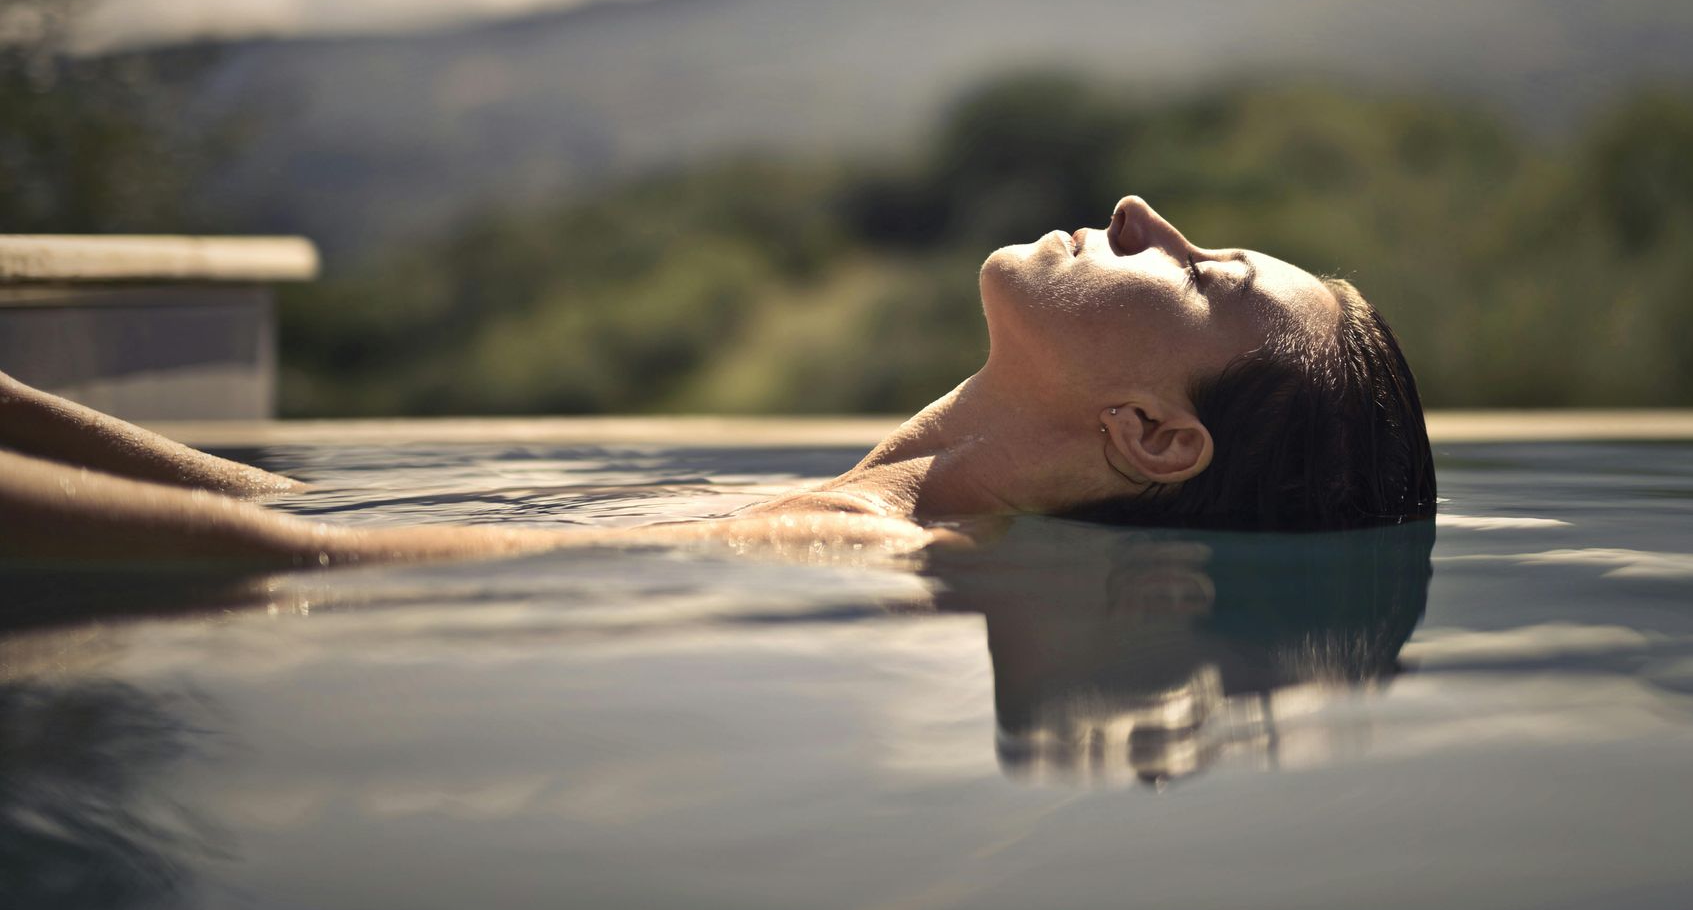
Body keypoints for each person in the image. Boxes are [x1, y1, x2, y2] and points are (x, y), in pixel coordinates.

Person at [0, 195, 1434, 566]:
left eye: (1202, 276)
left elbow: (289, 561)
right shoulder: (849, 501)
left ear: (1150, 436)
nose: (1139, 216)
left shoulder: (843, 542)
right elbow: (263, 494)